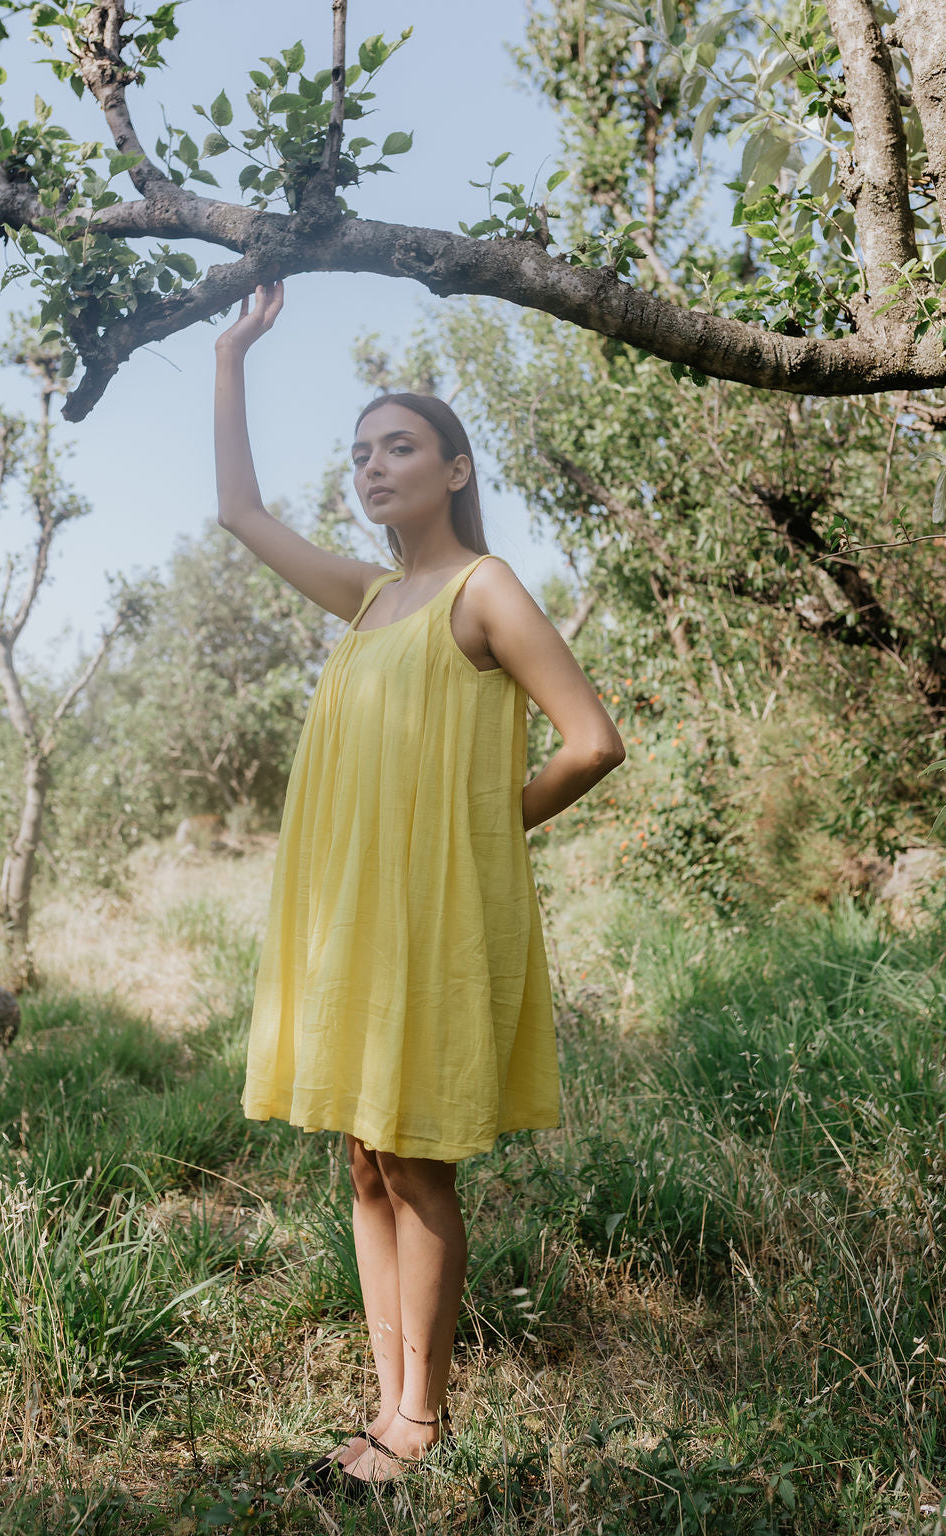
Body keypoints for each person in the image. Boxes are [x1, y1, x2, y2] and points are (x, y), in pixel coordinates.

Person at [214, 280, 625, 1495]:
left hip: (434, 914)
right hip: (349, 915)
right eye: (359, 453)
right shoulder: (365, 599)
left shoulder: (480, 589)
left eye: (398, 446)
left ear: (453, 469)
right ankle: (387, 1401)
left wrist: (475, 834)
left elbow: (591, 741)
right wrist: (233, 354)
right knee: (361, 1155)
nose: (372, 466)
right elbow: (238, 510)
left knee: (418, 1160)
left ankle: (419, 1426)